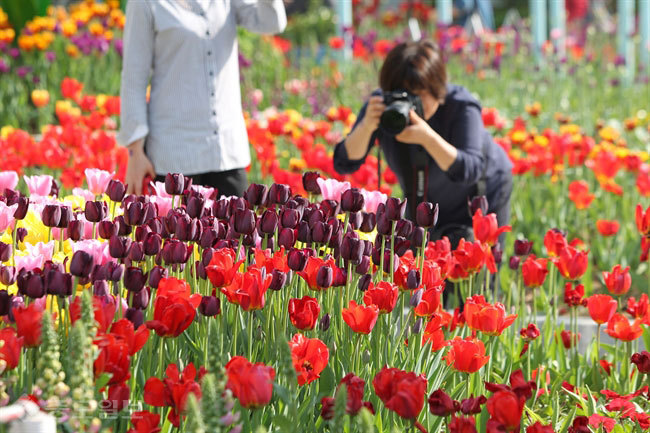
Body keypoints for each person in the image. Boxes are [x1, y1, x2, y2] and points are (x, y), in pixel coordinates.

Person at [333, 39, 512, 256]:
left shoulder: (460, 105)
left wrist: (428, 138)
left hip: (480, 195)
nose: (407, 104)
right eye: (400, 94)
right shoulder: (384, 107)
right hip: (425, 203)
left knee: (479, 275)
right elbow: (344, 162)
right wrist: (367, 126)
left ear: (438, 88)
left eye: (417, 94)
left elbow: (471, 169)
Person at [117, 0, 287, 196]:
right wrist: (135, 151)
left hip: (226, 151)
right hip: (174, 156)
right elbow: (133, 79)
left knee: (236, 226)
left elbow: (272, 22)